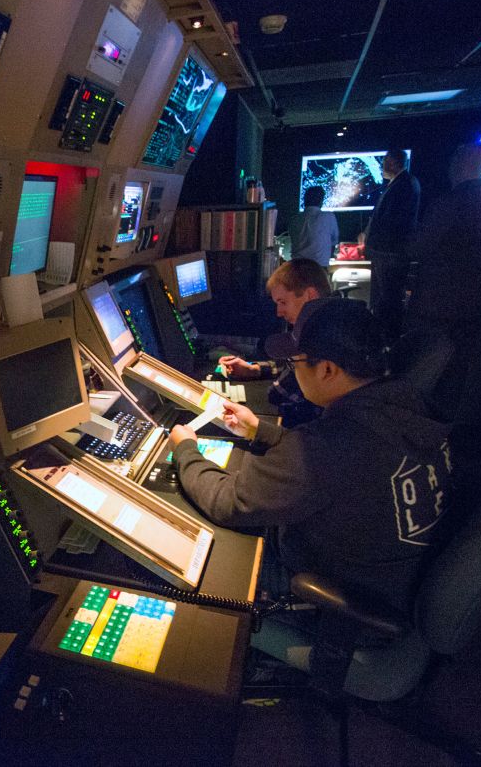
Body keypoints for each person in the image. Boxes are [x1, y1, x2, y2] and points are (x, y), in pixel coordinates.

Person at [171, 298, 452, 611]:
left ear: (328, 369)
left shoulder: (326, 448)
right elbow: (343, 464)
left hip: (337, 595)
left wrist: (186, 450)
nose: (293, 371)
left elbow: (227, 502)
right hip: (393, 578)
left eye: (296, 363)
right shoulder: (408, 404)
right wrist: (260, 430)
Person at [405, 143, 481, 421]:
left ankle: (413, 430)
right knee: (456, 376)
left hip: (434, 303)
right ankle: (448, 432)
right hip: (473, 304)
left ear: (456, 164)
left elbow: (418, 246)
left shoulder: (449, 201)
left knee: (421, 370)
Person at [218, 259, 330, 427]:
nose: (278, 312)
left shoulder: (321, 338)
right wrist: (255, 369)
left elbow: (278, 393)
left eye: (283, 302)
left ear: (310, 296)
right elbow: (291, 363)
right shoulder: (326, 323)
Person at [365, 148, 421, 340]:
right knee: (386, 299)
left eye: (385, 162)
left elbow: (393, 221)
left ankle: (388, 340)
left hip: (390, 253)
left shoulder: (405, 184)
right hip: (386, 253)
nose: (382, 166)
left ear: (395, 162)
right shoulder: (400, 184)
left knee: (389, 300)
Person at [288, 185, 339, 266]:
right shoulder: (329, 217)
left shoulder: (295, 219)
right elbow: (334, 241)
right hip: (319, 268)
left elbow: (292, 239)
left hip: (297, 267)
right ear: (321, 201)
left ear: (304, 200)